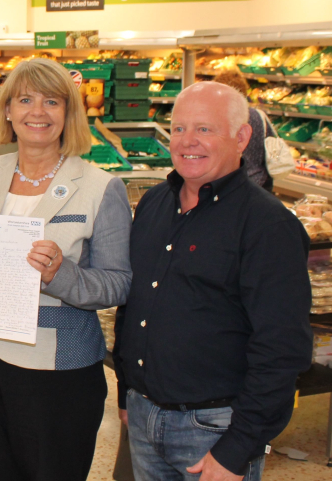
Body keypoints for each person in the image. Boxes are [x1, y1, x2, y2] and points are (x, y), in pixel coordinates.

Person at [0, 57, 132, 480]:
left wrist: (61, 274)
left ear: (69, 113)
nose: (37, 112)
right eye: (24, 100)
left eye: (52, 102)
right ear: (8, 110)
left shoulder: (100, 187)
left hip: (55, 368)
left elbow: (117, 284)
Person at [113, 81, 313, 481]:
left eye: (205, 129)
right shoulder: (154, 203)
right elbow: (135, 305)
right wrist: (126, 391)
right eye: (180, 128)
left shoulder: (267, 224)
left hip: (214, 430)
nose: (188, 141)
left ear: (241, 137)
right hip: (142, 415)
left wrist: (238, 449)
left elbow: (282, 348)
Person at [213, 70, 275, 190]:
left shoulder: (217, 116)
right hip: (259, 182)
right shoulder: (258, 115)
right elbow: (271, 144)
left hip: (228, 184)